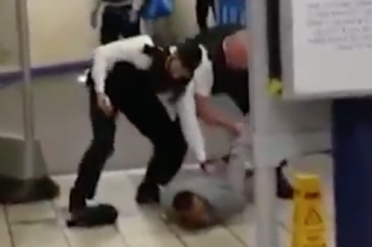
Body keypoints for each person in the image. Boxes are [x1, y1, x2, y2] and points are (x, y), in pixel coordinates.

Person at [69, 35, 209, 221]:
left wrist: (202, 158)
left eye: (185, 72)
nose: (179, 74)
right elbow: (101, 54)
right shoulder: (144, 49)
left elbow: (188, 120)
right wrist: (100, 92)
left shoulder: (181, 85)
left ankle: (150, 189)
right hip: (108, 85)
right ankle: (79, 198)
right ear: (174, 57)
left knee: (173, 141)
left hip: (135, 92)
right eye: (180, 67)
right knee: (104, 142)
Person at [177, 24, 294, 199]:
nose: (246, 67)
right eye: (242, 63)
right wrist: (235, 126)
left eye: (249, 64)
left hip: (241, 83)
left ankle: (275, 171)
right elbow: (204, 111)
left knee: (267, 119)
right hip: (208, 82)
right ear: (229, 54)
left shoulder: (251, 43)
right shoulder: (204, 60)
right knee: (189, 125)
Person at [161, 129, 254, 229]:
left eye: (199, 215)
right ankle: (225, 160)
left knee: (241, 185)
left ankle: (238, 150)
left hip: (221, 188)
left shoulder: (225, 201)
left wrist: (210, 221)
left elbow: (241, 203)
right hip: (202, 179)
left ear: (203, 204)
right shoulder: (168, 202)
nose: (200, 218)